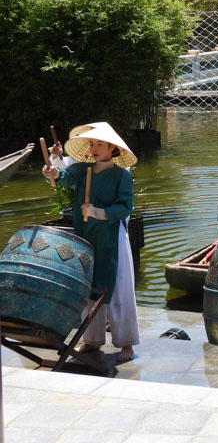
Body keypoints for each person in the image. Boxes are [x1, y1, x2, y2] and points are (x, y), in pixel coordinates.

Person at [42, 123, 139, 363]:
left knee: (118, 289)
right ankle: (92, 340)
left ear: (112, 148)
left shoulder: (121, 175)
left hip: (112, 237)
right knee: (88, 288)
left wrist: (97, 211)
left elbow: (126, 206)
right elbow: (63, 177)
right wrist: (53, 173)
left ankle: (126, 343)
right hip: (86, 236)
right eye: (92, 144)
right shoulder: (82, 170)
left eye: (100, 144)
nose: (95, 148)